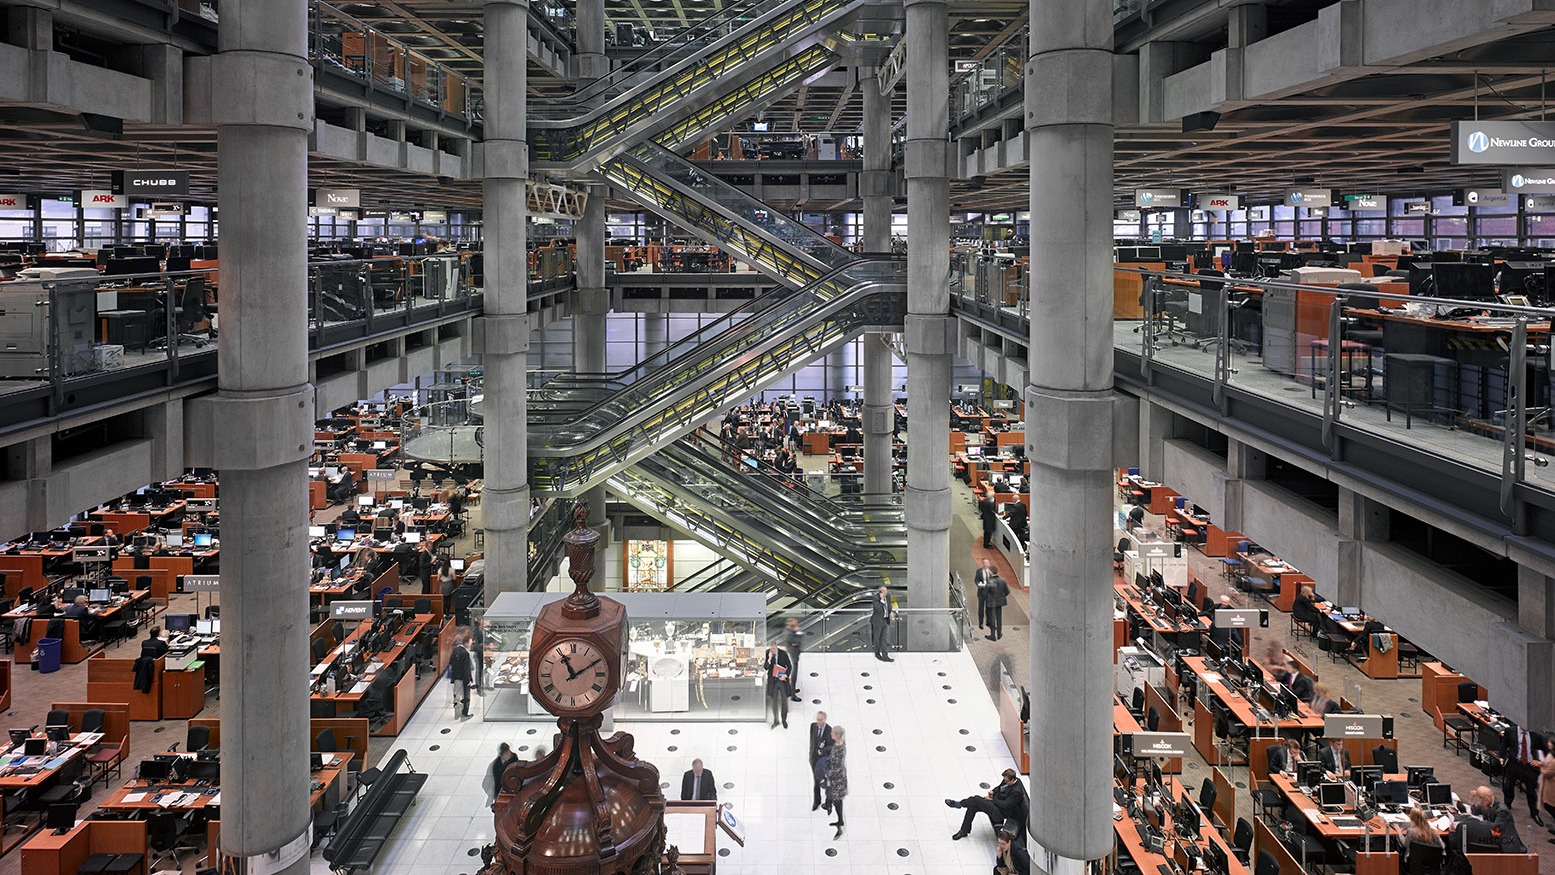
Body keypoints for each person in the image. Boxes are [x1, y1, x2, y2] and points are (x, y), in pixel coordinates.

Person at [947, 768, 1029, 841]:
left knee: (976, 799)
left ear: (1012, 780)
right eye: (1004, 780)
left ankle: (959, 804)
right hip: (996, 803)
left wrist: (993, 799)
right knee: (973, 806)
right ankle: (964, 830)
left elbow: (1005, 805)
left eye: (1006, 781)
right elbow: (999, 787)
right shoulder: (1007, 780)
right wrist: (993, 792)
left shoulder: (1017, 792)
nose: (1004, 781)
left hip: (1000, 812)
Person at [1501, 724, 1546, 824]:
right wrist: (1501, 757)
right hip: (1514, 763)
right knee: (1508, 786)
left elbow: (1544, 749)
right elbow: (1504, 744)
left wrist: (1541, 762)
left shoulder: (1535, 734)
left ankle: (1534, 813)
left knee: (1531, 791)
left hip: (1529, 765)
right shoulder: (1510, 731)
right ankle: (1507, 804)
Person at [1464, 785, 1526, 853]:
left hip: (1505, 842)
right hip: (1494, 837)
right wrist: (1472, 799)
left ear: (1488, 797)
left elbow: (1495, 827)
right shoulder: (1486, 803)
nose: (1480, 801)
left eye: (1480, 798)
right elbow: (1475, 811)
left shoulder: (1502, 811)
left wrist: (1479, 823)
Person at [823, 725, 847, 839]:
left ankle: (840, 821)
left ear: (837, 735)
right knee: (834, 797)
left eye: (832, 733)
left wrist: (827, 774)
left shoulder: (838, 750)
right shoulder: (839, 743)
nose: (831, 734)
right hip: (837, 775)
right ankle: (833, 809)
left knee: (837, 800)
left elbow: (836, 768)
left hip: (837, 779)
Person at [808, 711, 835, 812]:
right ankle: (817, 801)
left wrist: (823, 751)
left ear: (824, 720)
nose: (818, 722)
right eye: (817, 719)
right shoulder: (813, 726)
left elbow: (832, 746)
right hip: (814, 759)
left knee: (828, 782)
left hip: (824, 761)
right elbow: (812, 742)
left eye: (820, 720)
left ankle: (829, 803)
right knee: (816, 782)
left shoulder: (830, 731)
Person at [763, 643, 792, 728]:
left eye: (774, 649)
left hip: (782, 680)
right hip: (773, 681)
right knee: (774, 701)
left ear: (777, 648)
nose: (773, 651)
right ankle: (776, 720)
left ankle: (784, 720)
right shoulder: (768, 653)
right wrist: (769, 659)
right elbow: (765, 667)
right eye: (772, 650)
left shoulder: (783, 654)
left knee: (784, 700)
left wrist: (785, 675)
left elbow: (789, 666)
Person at [449, 630, 474, 718]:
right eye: (470, 642)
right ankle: (464, 714)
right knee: (465, 696)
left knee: (456, 695)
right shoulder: (465, 654)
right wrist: (468, 680)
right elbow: (466, 669)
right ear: (466, 643)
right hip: (463, 679)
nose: (471, 644)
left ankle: (457, 714)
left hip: (456, 677)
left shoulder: (456, 650)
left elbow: (451, 662)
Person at [870, 586, 895, 662]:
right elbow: (878, 609)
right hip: (877, 621)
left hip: (885, 620)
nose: (886, 593)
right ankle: (877, 654)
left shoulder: (888, 596)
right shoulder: (876, 598)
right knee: (877, 638)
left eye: (886, 591)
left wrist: (891, 612)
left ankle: (885, 655)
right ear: (880, 592)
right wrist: (881, 600)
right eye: (884, 591)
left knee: (884, 638)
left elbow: (889, 605)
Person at [783, 617, 805, 702]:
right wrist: (798, 632)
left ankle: (792, 689)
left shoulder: (791, 631)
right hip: (793, 655)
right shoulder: (788, 633)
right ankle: (792, 695)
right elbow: (797, 642)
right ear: (790, 623)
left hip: (794, 653)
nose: (796, 623)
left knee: (794, 674)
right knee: (793, 675)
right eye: (794, 622)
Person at [1537, 736, 1555, 831]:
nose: (1548, 744)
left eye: (1549, 742)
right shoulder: (1551, 755)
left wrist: (1540, 766)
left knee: (1550, 806)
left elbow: (1546, 773)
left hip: (1551, 786)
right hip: (1549, 784)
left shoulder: (1554, 761)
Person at [985, 574, 1009, 642]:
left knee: (992, 619)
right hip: (1000, 602)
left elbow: (985, 592)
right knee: (999, 618)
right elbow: (1007, 592)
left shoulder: (990, 582)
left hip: (992, 603)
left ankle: (993, 635)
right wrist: (1001, 596)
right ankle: (999, 634)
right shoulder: (1002, 581)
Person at [974, 557, 995, 631]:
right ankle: (981, 623)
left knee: (989, 608)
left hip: (989, 593)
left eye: (988, 562)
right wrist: (979, 585)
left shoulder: (991, 571)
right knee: (981, 608)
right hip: (981, 593)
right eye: (985, 563)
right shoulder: (979, 571)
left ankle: (989, 622)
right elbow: (976, 580)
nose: (987, 564)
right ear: (983, 563)